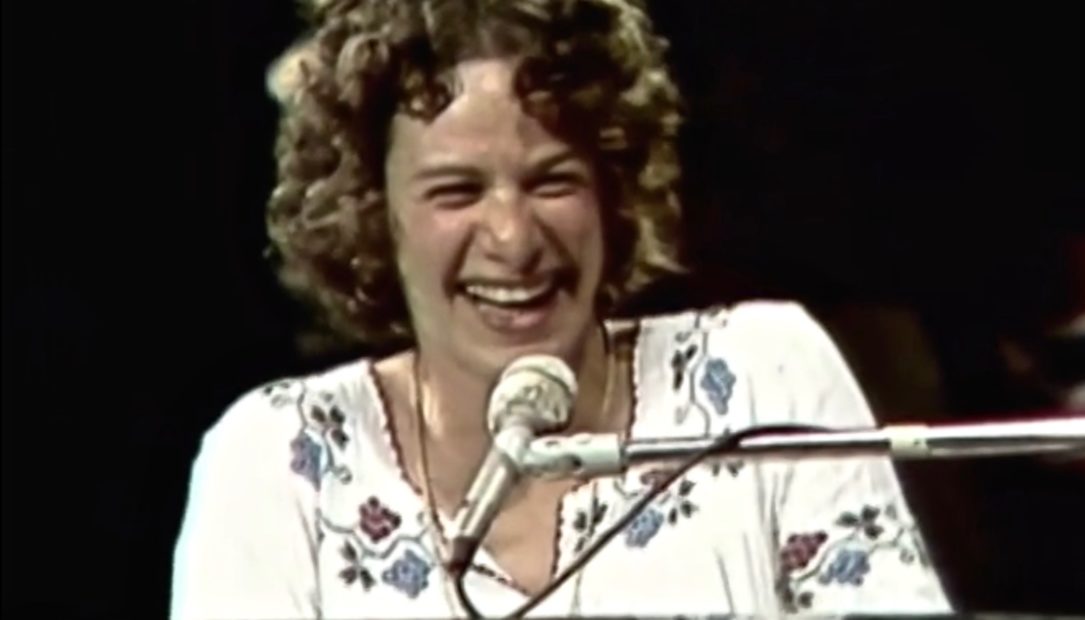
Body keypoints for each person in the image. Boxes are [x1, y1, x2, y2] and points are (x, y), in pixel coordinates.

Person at [170, 0, 952, 617]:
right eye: (457, 192)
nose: (514, 239)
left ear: (612, 191)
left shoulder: (762, 378)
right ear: (374, 216)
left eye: (552, 181)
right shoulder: (276, 461)